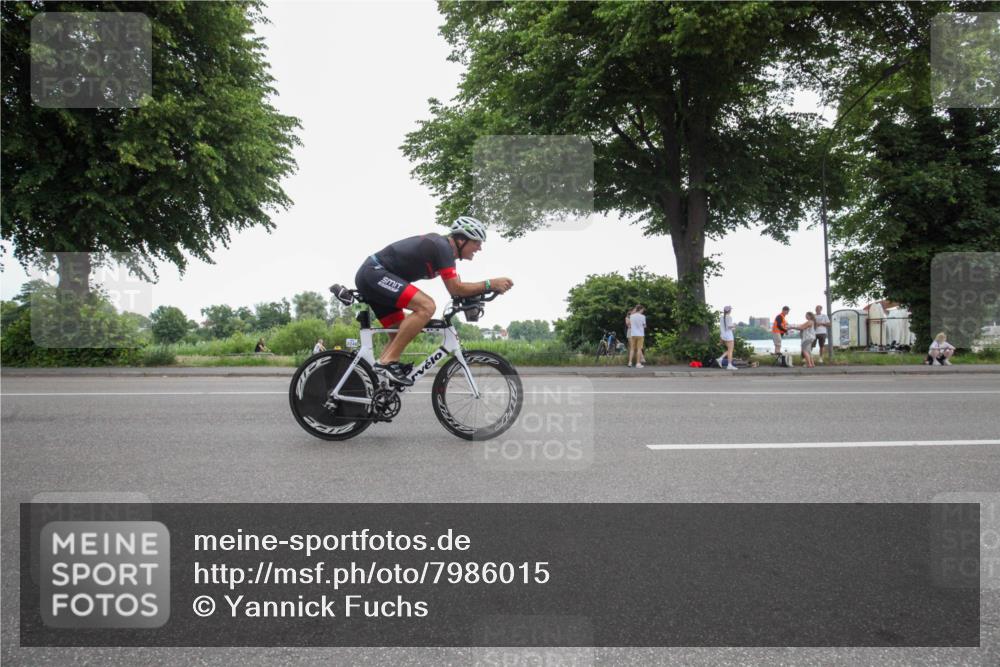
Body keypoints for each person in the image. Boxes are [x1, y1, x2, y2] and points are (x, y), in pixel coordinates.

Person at [348, 216, 513, 386]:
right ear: (461, 240)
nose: (479, 248)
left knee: (400, 331)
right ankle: (387, 362)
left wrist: (483, 292)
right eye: (477, 242)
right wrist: (490, 284)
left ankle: (380, 384)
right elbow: (456, 288)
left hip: (377, 278)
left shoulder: (445, 253)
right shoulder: (442, 247)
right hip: (374, 273)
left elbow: (458, 290)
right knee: (427, 306)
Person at [717, 305, 737, 370]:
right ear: (729, 311)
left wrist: (721, 338)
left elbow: (723, 327)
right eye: (730, 310)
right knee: (730, 351)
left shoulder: (721, 317)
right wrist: (734, 326)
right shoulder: (729, 317)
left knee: (729, 350)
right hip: (729, 336)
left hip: (723, 335)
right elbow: (729, 326)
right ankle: (729, 365)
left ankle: (720, 359)